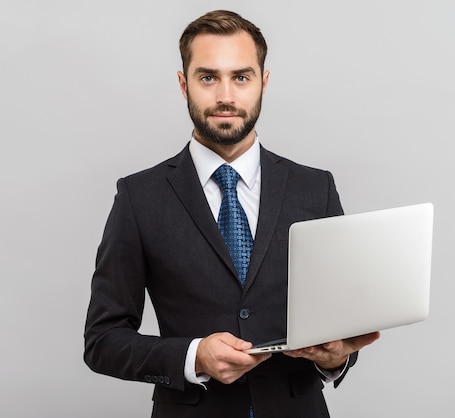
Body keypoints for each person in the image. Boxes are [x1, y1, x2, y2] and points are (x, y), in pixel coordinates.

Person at [84, 9, 379, 418]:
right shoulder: (139, 197)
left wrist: (334, 358)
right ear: (183, 84)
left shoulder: (316, 189)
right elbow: (102, 341)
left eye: (241, 77)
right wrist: (193, 357)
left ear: (264, 82)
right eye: (208, 77)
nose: (225, 96)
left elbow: (342, 325)